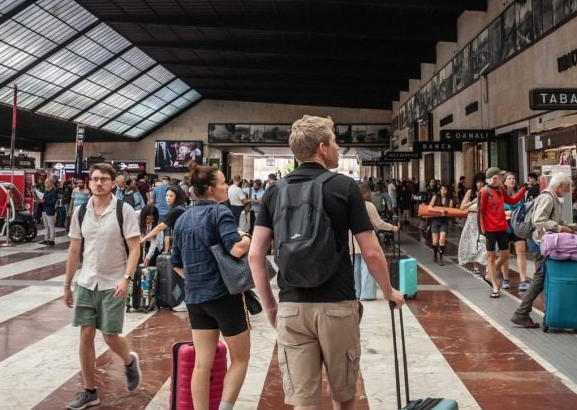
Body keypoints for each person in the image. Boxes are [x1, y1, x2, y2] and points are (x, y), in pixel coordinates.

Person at [248, 115, 404, 410]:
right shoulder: (344, 187)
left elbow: (256, 254)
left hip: (292, 306)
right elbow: (370, 251)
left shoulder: (275, 191)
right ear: (322, 147)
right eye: (334, 141)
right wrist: (388, 291)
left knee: (304, 402)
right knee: (343, 396)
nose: (337, 147)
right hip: (337, 305)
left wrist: (270, 306)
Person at [171, 162, 252, 410]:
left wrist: (197, 281)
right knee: (240, 359)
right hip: (224, 297)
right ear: (210, 188)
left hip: (195, 299)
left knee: (201, 364)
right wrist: (249, 237)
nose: (227, 186)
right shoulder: (220, 213)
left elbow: (176, 263)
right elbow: (236, 248)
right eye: (223, 183)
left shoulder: (183, 219)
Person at [62, 163, 143, 410]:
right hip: (87, 282)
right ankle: (89, 391)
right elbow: (75, 249)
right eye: (95, 179)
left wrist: (126, 278)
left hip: (113, 283)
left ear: (112, 183)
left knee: (109, 336)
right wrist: (67, 284)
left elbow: (135, 248)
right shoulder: (80, 212)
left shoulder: (124, 210)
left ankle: (129, 362)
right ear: (89, 183)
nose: (99, 183)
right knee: (85, 333)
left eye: (104, 179)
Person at [510, 172, 577, 328]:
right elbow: (539, 220)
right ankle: (521, 313)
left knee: (542, 276)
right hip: (540, 243)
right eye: (567, 188)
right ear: (559, 185)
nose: (568, 192)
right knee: (540, 277)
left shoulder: (553, 198)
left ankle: (538, 311)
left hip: (544, 242)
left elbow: (558, 220)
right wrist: (560, 228)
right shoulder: (548, 197)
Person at [479, 168, 525, 297]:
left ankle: (489, 273)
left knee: (505, 255)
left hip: (502, 227)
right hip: (489, 229)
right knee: (491, 257)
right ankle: (494, 285)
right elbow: (480, 212)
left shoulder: (501, 190)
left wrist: (523, 190)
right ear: (494, 178)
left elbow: (512, 201)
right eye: (500, 176)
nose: (503, 178)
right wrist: (482, 231)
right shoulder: (484, 192)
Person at [353, 181, 398, 299]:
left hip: (351, 238)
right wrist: (392, 227)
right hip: (367, 238)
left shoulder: (348, 204)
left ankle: (355, 292)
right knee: (368, 266)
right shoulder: (368, 205)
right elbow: (378, 223)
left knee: (354, 267)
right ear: (366, 192)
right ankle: (367, 293)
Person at [503, 172, 531, 290]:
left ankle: (523, 279)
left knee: (521, 251)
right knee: (504, 254)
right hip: (504, 225)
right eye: (509, 179)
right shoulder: (500, 193)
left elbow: (523, 207)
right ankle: (505, 279)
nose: (512, 180)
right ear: (504, 181)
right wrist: (505, 213)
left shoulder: (520, 193)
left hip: (518, 225)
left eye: (513, 178)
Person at [457, 175, 486, 274]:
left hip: (483, 220)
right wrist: (473, 202)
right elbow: (462, 207)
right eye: (478, 182)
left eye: (482, 182)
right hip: (472, 221)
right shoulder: (470, 192)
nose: (480, 184)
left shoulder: (487, 192)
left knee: (484, 243)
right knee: (473, 242)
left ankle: (486, 265)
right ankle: (476, 266)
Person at [424, 181, 455, 265]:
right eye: (441, 189)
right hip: (435, 221)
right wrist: (439, 211)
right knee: (435, 242)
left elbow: (450, 211)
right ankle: (435, 253)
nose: (443, 191)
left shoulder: (450, 200)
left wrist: (447, 213)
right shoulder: (435, 197)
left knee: (442, 239)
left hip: (444, 221)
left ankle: (440, 257)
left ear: (447, 190)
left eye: (445, 189)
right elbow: (430, 208)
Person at [39, 178, 59, 246]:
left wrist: (44, 201)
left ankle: (52, 240)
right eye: (45, 182)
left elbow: (53, 202)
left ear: (50, 183)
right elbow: (43, 199)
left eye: (46, 182)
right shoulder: (46, 191)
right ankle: (46, 239)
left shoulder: (53, 192)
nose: (45, 184)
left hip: (50, 211)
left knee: (51, 226)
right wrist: (39, 201)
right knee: (46, 226)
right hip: (44, 210)